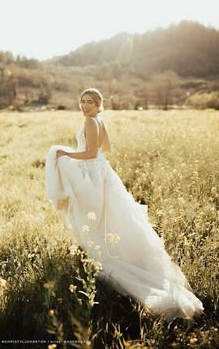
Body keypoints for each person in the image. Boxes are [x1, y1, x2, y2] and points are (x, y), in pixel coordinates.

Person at [45, 88, 203, 320]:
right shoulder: (99, 120)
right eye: (82, 101)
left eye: (90, 102)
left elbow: (89, 154)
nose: (85, 105)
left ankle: (107, 252)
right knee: (111, 214)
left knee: (93, 213)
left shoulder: (90, 121)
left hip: (93, 172)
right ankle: (117, 248)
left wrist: (67, 156)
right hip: (103, 171)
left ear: (98, 104)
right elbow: (105, 149)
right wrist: (84, 154)